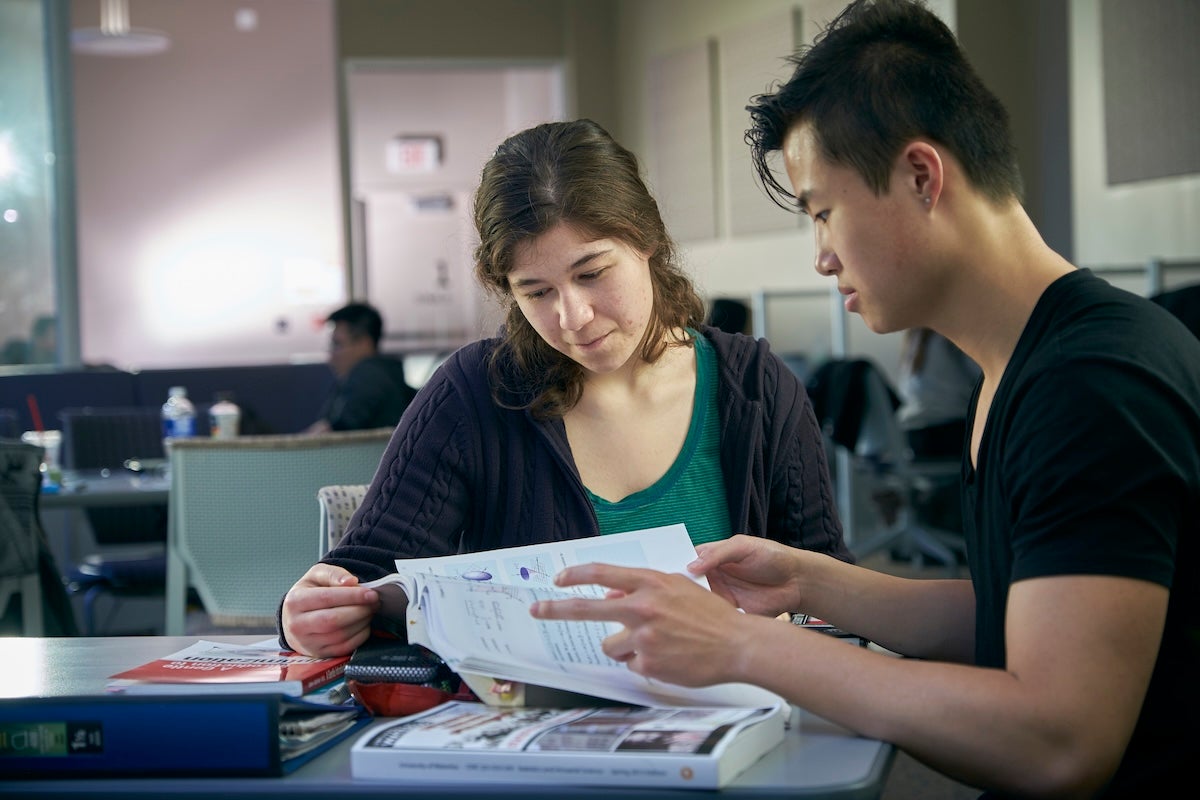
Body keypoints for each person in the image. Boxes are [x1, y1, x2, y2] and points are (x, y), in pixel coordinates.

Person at [529, 2, 1200, 797]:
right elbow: (1025, 613)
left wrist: (744, 647)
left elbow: (1058, 742)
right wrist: (812, 584)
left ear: (922, 177)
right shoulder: (1025, 365)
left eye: (822, 211)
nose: (820, 257)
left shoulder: (1091, 381)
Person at [278, 119, 850, 658]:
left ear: (646, 242)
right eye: (537, 293)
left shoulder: (754, 387)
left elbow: (830, 587)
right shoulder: (471, 393)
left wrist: (789, 624)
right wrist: (307, 614)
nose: (572, 316)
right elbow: (362, 573)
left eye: (592, 273)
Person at [304, 302, 416, 433]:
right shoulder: (383, 374)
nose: (331, 356)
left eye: (337, 344)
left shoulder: (368, 376)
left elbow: (337, 432)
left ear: (364, 343)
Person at [895, 327, 980, 460]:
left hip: (913, 434)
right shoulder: (950, 335)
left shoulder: (913, 339)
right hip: (948, 431)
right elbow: (984, 376)